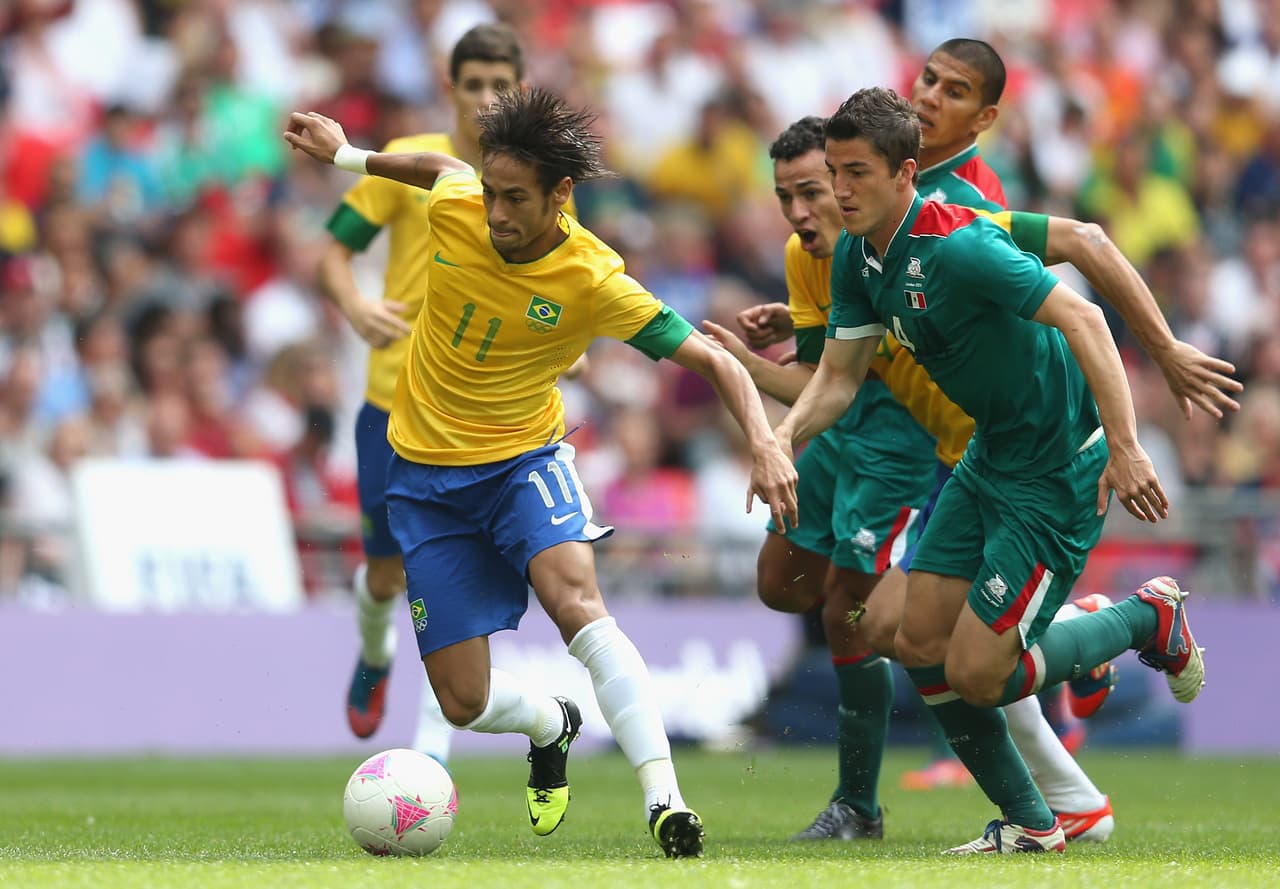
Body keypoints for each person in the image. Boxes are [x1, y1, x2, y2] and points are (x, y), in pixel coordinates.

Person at [285, 88, 799, 858]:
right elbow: (436, 168)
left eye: (515, 198)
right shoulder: (460, 205)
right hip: (424, 485)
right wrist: (350, 155)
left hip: (523, 466)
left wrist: (764, 440)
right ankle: (549, 721)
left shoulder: (594, 279)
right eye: (492, 192)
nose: (495, 212)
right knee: (463, 702)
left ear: (562, 193)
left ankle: (667, 800)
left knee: (577, 602)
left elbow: (711, 356)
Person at [708, 114, 1240, 845]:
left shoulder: (960, 241)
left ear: (903, 173)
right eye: (834, 173)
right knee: (906, 634)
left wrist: (1126, 443)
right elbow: (836, 378)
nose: (839, 190)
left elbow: (1083, 318)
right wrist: (777, 442)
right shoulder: (855, 261)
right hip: (986, 454)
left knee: (980, 673)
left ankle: (1144, 618)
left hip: (1056, 465)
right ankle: (1034, 823)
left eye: (854, 172)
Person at [320, 24, 560, 758]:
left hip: (478, 418)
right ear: (450, 87)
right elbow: (333, 247)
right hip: (392, 401)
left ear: (520, 88)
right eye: (475, 82)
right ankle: (373, 650)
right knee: (386, 576)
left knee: (445, 581)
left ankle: (429, 759)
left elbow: (560, 288)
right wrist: (357, 304)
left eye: (500, 83)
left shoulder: (538, 181)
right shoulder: (408, 162)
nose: (487, 96)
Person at [705, 115, 939, 843]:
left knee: (854, 614)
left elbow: (832, 376)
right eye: (785, 197)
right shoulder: (807, 256)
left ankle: (859, 805)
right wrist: (769, 358)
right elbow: (820, 373)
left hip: (900, 439)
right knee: (781, 584)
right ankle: (960, 626)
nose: (800, 211)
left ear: (848, 182)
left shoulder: (905, 247)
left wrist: (742, 369)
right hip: (839, 431)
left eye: (813, 191)